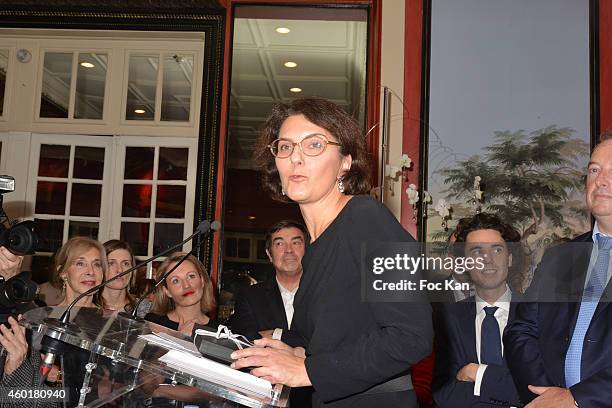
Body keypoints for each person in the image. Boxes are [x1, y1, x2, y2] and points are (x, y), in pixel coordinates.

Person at [231, 97, 433, 407]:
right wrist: (288, 352)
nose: (295, 159)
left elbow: (412, 335)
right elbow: (331, 338)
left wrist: (308, 369)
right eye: (285, 147)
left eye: (313, 145)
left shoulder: (367, 218)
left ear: (345, 162)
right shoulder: (314, 248)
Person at [504, 138, 612, 407]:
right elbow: (521, 331)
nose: (601, 180)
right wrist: (547, 396)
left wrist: (576, 398)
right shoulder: (559, 257)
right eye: (594, 170)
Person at [433, 213, 522, 407]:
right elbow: (445, 394)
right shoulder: (448, 317)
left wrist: (477, 373)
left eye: (497, 250)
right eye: (476, 251)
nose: (487, 259)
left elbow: (539, 389)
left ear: (510, 258)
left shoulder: (538, 313)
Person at [230, 219, 308, 340]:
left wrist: (275, 334)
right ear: (269, 255)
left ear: (308, 250)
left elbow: (331, 341)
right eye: (279, 244)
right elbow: (245, 340)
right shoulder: (250, 296)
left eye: (296, 243)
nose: (289, 250)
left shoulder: (326, 293)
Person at [145, 251, 218, 336]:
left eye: (191, 276)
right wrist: (180, 338)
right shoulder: (153, 323)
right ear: (167, 291)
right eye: (176, 281)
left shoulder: (219, 332)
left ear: (202, 281)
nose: (186, 285)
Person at [101, 239, 136, 313]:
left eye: (125, 264)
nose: (120, 270)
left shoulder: (146, 309)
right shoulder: (87, 306)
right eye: (111, 263)